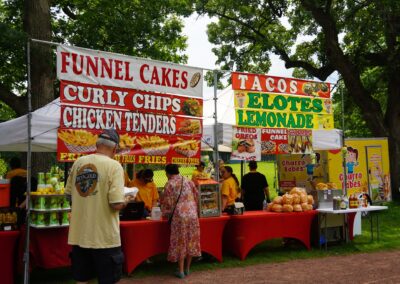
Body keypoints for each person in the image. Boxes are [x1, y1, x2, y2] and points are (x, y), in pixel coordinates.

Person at [65, 129, 126, 284]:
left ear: (97, 144)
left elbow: (68, 195)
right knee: (108, 280)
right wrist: (127, 199)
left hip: (80, 235)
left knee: (82, 279)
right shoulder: (114, 166)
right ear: (115, 149)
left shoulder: (79, 162)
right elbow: (116, 203)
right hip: (104, 238)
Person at [161, 164, 201, 279]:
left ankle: (181, 271)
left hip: (179, 216)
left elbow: (167, 202)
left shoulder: (169, 184)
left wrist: (165, 213)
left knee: (180, 241)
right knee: (191, 240)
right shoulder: (188, 181)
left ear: (167, 173)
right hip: (192, 214)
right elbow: (196, 195)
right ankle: (188, 269)